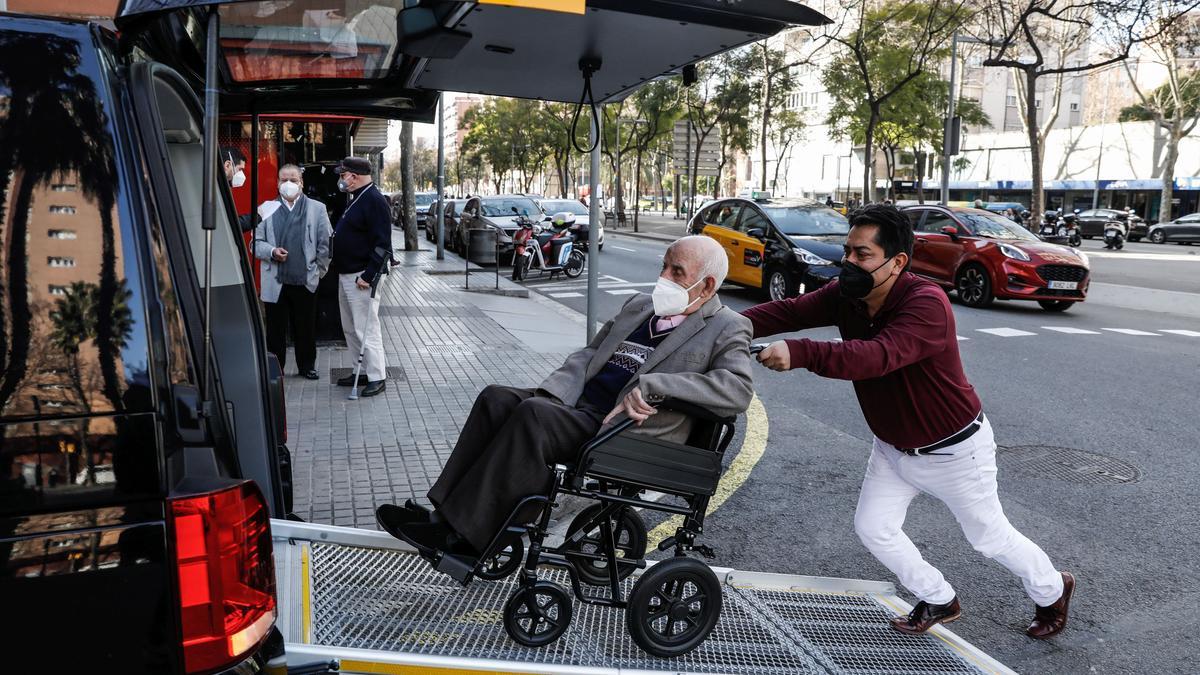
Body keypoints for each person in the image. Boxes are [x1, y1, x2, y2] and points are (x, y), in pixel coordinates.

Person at [742, 204, 1073, 640]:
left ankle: (1052, 590)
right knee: (873, 528)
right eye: (847, 252)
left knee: (988, 538)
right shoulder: (847, 295)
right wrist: (712, 325)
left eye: (862, 255)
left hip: (954, 450)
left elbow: (878, 357)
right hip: (892, 446)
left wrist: (801, 353)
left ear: (896, 261)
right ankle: (938, 597)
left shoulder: (926, 303)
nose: (849, 263)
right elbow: (784, 312)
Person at [376, 236, 755, 568]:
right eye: (664, 266)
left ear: (705, 286)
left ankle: (468, 539)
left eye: (676, 271)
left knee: (534, 417)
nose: (664, 278)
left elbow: (737, 389)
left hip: (623, 429)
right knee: (496, 398)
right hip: (580, 405)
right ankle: (445, 517)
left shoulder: (727, 326)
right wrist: (554, 392)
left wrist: (658, 385)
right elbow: (589, 354)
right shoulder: (640, 304)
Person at [254, 165, 332, 380]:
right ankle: (276, 368)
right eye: (284, 179)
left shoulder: (317, 208)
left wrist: (317, 272)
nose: (288, 184)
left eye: (293, 179)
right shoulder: (266, 208)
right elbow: (255, 243)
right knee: (275, 330)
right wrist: (271, 251)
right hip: (275, 279)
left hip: (305, 278)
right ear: (278, 182)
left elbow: (325, 245)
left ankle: (307, 366)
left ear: (301, 183)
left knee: (305, 327)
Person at [330, 156, 391, 398]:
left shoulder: (374, 200)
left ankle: (377, 376)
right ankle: (360, 370)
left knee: (366, 327)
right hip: (347, 272)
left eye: (342, 175)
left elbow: (382, 244)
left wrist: (369, 275)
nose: (341, 180)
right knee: (351, 327)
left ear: (353, 176)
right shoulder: (358, 197)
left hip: (361, 276)